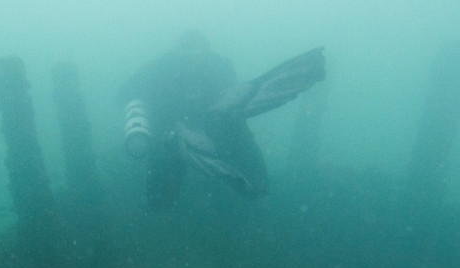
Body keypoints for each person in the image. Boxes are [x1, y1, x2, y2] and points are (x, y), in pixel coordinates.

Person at [120, 31, 325, 210]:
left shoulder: (165, 67)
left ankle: (221, 202)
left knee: (160, 203)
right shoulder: (214, 64)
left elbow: (127, 93)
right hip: (184, 135)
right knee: (256, 188)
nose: (192, 63)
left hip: (196, 132)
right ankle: (225, 206)